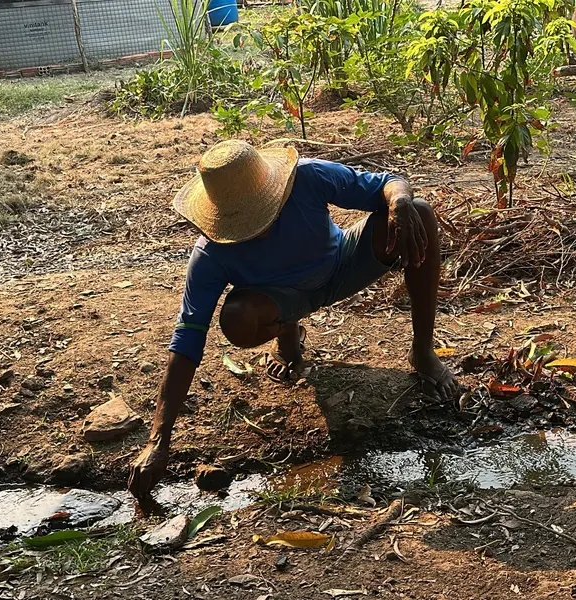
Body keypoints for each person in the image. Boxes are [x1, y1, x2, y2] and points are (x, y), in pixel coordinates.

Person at [127, 140, 458, 505]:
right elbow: (187, 340)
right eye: (245, 224)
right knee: (237, 319)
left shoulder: (307, 177)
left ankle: (423, 351)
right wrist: (158, 442)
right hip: (281, 299)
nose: (257, 229)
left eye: (262, 215)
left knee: (420, 212)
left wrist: (398, 203)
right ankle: (287, 332)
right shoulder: (210, 255)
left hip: (342, 264)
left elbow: (389, 181)